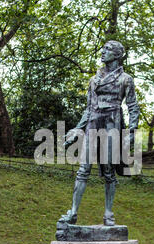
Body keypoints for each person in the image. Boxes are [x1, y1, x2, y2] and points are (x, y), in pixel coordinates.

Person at [60, 40, 140, 227]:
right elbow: (89, 108)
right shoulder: (94, 80)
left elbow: (132, 106)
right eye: (103, 49)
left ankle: (108, 214)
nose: (102, 52)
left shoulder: (125, 79)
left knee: (109, 172)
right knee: (83, 170)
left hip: (112, 124)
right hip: (93, 124)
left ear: (118, 55)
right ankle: (73, 212)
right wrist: (78, 128)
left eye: (108, 50)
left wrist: (132, 130)